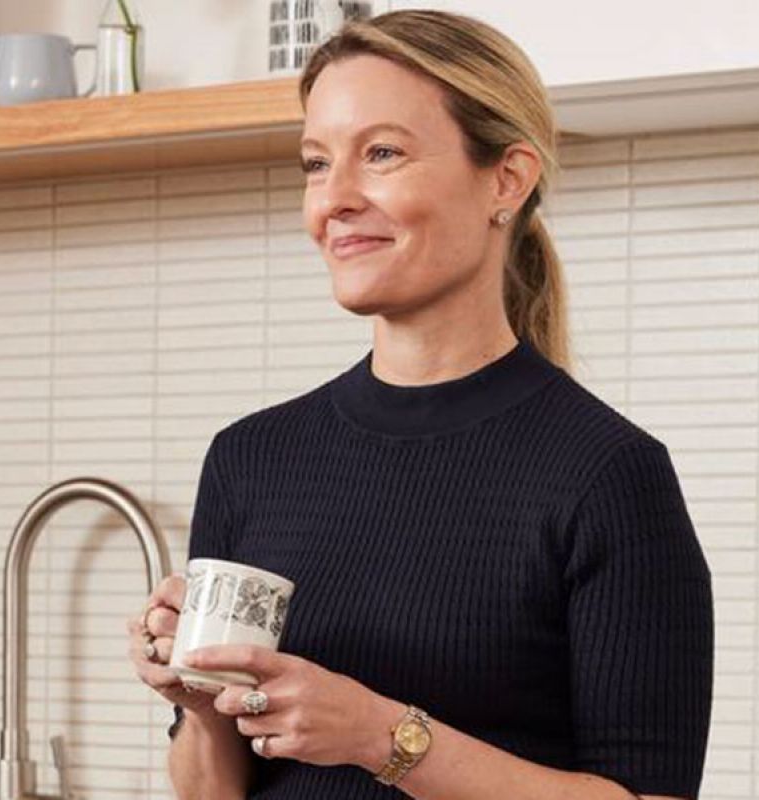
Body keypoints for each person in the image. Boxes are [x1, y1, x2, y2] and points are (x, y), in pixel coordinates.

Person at [126, 9, 713, 800]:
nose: (332, 199)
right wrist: (198, 707)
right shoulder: (250, 459)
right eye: (314, 162)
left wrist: (382, 737)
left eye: (381, 154)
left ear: (506, 179)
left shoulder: (606, 474)